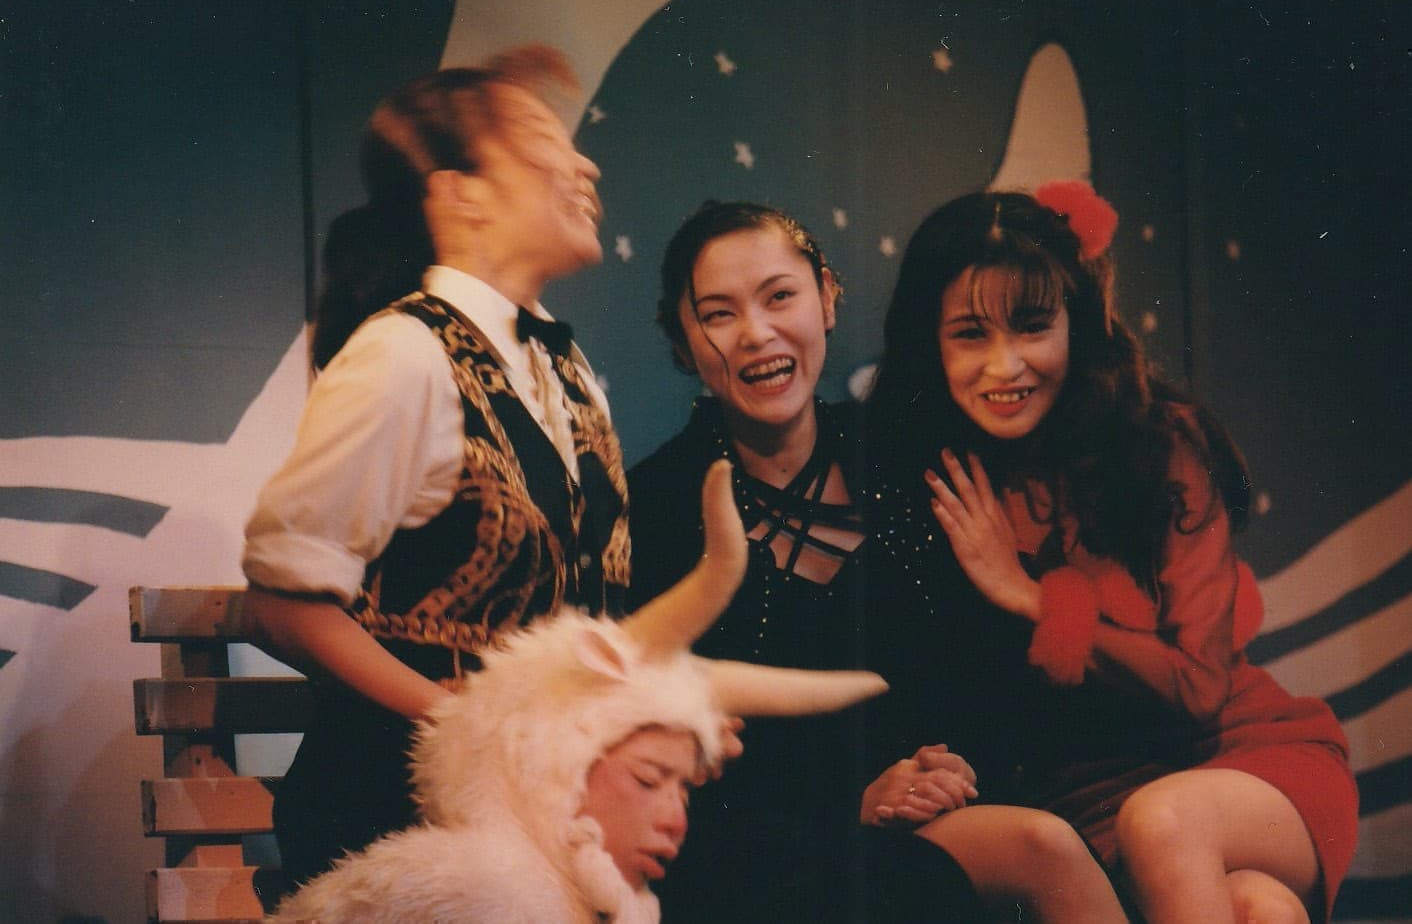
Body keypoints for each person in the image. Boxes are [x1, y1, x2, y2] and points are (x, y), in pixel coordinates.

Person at [865, 181, 1359, 922]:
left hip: (1245, 759)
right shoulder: (928, 480)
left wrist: (1025, 594)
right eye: (971, 334)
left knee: (1165, 822)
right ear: (929, 343)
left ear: (1077, 323)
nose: (1005, 365)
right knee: (1260, 908)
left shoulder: (1158, 443)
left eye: (1033, 326)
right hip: (1085, 805)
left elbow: (1199, 685)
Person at [628, 201, 1111, 921]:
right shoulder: (655, 508)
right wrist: (852, 804)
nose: (756, 333)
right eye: (719, 314)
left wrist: (951, 766)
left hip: (946, 816)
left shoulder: (914, 456)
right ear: (683, 339)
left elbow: (990, 678)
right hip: (760, 860)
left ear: (827, 298)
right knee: (1042, 848)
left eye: (780, 296)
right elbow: (662, 757)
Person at [241, 45, 633, 888]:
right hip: (399, 827)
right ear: (462, 193)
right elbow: (281, 605)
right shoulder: (403, 355)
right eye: (544, 143)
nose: (585, 165)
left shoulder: (567, 370)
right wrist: (463, 721)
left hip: (533, 823)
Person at [268, 462, 890, 923]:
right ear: (557, 764)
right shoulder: (485, 893)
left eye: (682, 788)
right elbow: (279, 599)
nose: (676, 818)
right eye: (649, 780)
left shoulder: (594, 898)